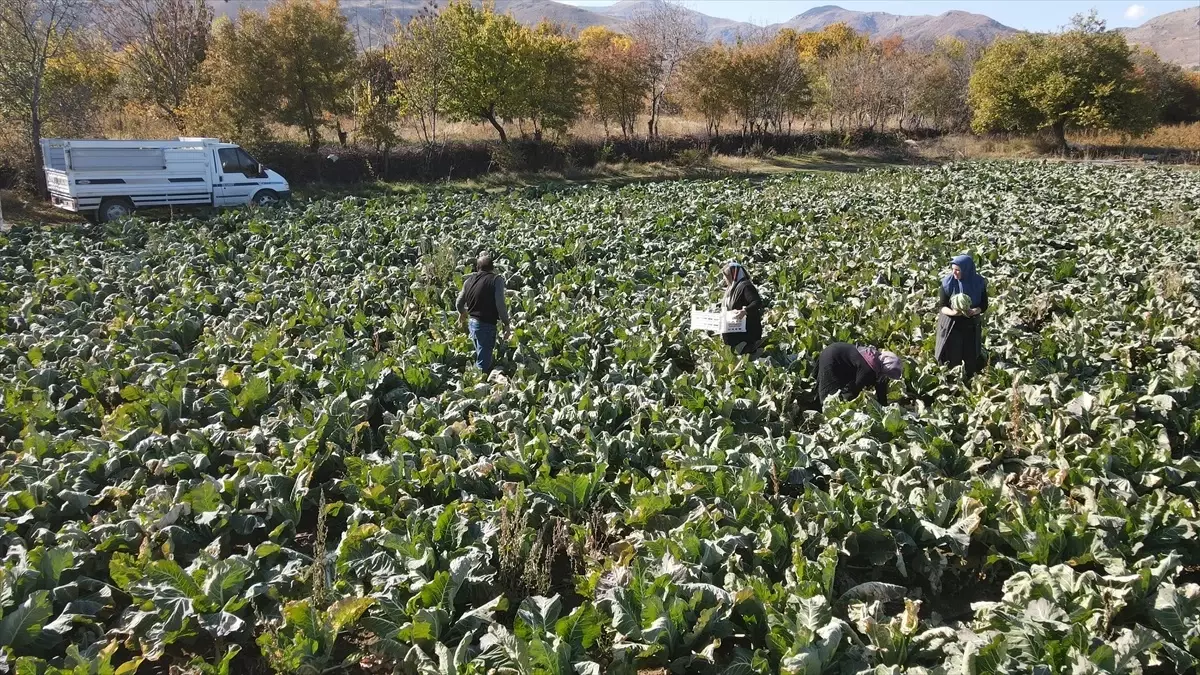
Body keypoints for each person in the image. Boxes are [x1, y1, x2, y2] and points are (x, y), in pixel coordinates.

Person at [935, 254, 988, 378]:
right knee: (953, 356)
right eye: (953, 269)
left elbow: (984, 304)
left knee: (970, 354)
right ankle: (952, 381)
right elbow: (942, 306)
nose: (954, 273)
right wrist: (953, 312)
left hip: (970, 325)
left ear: (967, 270)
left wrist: (974, 311)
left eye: (957, 270)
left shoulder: (978, 283)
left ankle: (969, 379)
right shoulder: (947, 283)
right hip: (951, 324)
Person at [456, 254, 509, 373]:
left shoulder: (468, 281)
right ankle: (478, 387)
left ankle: (476, 380)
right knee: (483, 365)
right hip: (486, 325)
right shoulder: (496, 280)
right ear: (492, 268)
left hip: (472, 324)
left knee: (481, 355)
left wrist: (462, 313)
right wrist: (506, 324)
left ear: (477, 268)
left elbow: (459, 303)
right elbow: (500, 303)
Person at [815, 343, 904, 406]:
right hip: (832, 359)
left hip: (836, 353)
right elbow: (854, 390)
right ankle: (819, 411)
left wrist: (884, 407)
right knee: (829, 397)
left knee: (839, 391)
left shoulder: (876, 361)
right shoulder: (868, 369)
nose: (887, 378)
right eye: (888, 375)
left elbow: (880, 387)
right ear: (885, 369)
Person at [720, 261, 764, 355]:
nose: (724, 278)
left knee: (745, 355)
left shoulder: (745, 286)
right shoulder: (732, 288)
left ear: (733, 275)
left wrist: (745, 311)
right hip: (734, 329)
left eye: (726, 275)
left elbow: (757, 302)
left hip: (746, 330)